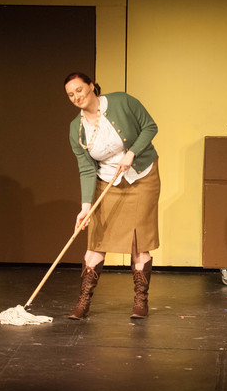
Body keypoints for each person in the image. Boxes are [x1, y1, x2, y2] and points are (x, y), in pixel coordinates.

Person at [64, 72, 160, 319]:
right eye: (71, 94)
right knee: (97, 241)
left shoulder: (122, 101)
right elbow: (87, 169)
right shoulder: (76, 128)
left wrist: (132, 153)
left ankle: (141, 301)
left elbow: (150, 127)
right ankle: (83, 302)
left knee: (139, 241)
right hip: (107, 180)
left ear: (91, 86)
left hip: (141, 177)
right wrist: (86, 207)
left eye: (79, 90)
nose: (76, 97)